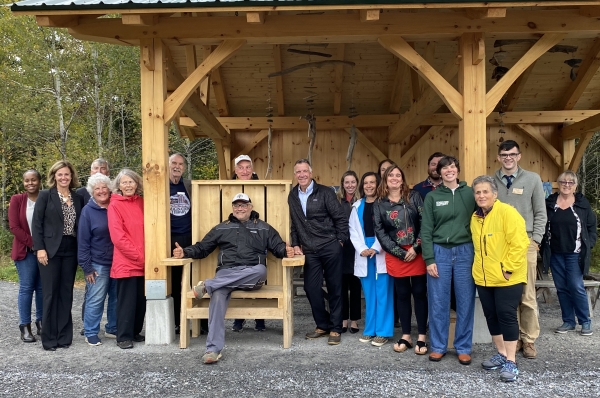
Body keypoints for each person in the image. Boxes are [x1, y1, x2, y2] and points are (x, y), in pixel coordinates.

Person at [172, 193, 294, 364]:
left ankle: (208, 285)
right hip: (226, 273)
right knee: (218, 294)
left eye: (243, 205)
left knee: (260, 271)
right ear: (232, 208)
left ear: (250, 207)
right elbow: (203, 247)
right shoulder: (222, 228)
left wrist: (286, 251)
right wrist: (185, 252)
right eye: (236, 205)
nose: (240, 208)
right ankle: (212, 350)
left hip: (252, 273)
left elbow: (278, 246)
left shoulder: (264, 228)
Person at [471, 175, 528, 382]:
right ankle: (502, 354)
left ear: (495, 194)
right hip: (484, 278)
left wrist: (508, 269)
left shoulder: (507, 213)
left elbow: (520, 243)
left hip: (507, 278)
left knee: (506, 316)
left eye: (486, 191)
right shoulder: (475, 217)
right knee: (491, 316)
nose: (481, 195)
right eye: (478, 192)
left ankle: (512, 361)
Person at [493, 140, 547, 359]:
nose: (508, 158)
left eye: (512, 154)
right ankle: (512, 338)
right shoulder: (493, 181)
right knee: (508, 295)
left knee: (527, 294)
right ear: (498, 157)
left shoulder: (532, 179)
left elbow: (541, 212)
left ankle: (529, 339)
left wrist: (536, 239)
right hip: (500, 245)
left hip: (525, 243)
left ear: (519, 156)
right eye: (504, 154)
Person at [421, 155, 476, 365]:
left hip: (465, 252)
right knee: (438, 301)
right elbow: (425, 230)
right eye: (444, 168)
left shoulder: (470, 193)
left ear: (458, 170)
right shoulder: (433, 198)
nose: (448, 170)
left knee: (465, 301)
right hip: (440, 252)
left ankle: (463, 347)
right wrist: (429, 259)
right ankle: (438, 346)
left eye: (452, 166)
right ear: (439, 172)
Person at [288, 159, 348, 345]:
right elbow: (295, 223)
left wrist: (340, 241)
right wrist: (296, 243)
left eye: (305, 171)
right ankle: (323, 325)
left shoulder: (325, 192)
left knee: (335, 287)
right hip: (310, 250)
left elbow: (340, 218)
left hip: (330, 246)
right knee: (311, 288)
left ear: (311, 173)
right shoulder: (292, 195)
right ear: (295, 174)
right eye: (298, 172)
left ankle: (336, 329)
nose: (302, 175)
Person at [374, 163, 427, 353]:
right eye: (391, 176)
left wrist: (415, 247)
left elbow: (425, 222)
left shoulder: (414, 197)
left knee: (420, 294)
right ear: (385, 180)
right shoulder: (379, 203)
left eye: (398, 175)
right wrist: (401, 253)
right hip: (396, 254)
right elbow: (380, 232)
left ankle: (422, 335)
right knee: (402, 295)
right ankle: (406, 336)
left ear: (402, 178)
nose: (395, 178)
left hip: (417, 251)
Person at [32, 160, 84, 351]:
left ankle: (64, 337)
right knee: (50, 294)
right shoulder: (45, 196)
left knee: (66, 294)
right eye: (60, 174)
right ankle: (49, 338)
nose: (63, 177)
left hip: (71, 249)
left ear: (72, 177)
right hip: (50, 250)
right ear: (54, 176)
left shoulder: (78, 198)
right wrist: (40, 249)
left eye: (67, 174)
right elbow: (36, 224)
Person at [541, 171, 597, 336]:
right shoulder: (550, 203)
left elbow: (592, 227)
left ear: (575, 186)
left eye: (570, 182)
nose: (566, 185)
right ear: (558, 184)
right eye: (563, 182)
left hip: (575, 253)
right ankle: (568, 321)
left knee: (576, 286)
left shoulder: (582, 204)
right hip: (555, 253)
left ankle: (585, 321)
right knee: (561, 288)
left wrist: (590, 243)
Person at [349, 172, 394, 346]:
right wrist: (362, 249)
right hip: (364, 252)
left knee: (383, 292)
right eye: (366, 183)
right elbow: (353, 230)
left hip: (380, 250)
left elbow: (388, 229)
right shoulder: (357, 205)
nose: (369, 186)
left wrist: (376, 247)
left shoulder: (385, 204)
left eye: (372, 182)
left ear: (378, 184)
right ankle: (370, 329)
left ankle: (383, 331)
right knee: (369, 294)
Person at [108, 169, 146, 349]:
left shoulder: (142, 202)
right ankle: (123, 336)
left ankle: (135, 331)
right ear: (118, 186)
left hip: (145, 261)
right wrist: (139, 257)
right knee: (126, 302)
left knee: (140, 300)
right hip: (127, 262)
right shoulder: (115, 205)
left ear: (137, 184)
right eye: (124, 182)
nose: (128, 185)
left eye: (131, 182)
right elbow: (118, 237)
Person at [78, 173, 116, 346]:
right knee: (96, 298)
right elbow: (83, 241)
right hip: (98, 263)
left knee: (116, 298)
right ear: (92, 192)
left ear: (109, 189)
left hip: (118, 261)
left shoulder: (116, 205)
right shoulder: (88, 211)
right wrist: (87, 267)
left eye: (104, 187)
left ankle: (112, 328)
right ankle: (91, 331)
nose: (101, 191)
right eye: (97, 188)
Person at [231, 154, 265, 332]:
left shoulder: (262, 187)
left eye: (247, 167)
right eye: (240, 167)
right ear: (235, 170)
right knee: (237, 268)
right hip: (235, 234)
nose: (244, 171)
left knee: (257, 268)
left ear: (252, 169)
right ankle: (239, 318)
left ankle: (260, 319)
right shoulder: (226, 188)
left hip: (256, 233)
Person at [9, 169, 43, 343]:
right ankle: (25, 327)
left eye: (34, 180)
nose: (30, 183)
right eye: (27, 180)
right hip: (25, 252)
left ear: (39, 181)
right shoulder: (17, 200)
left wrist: (43, 247)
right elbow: (14, 227)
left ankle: (41, 323)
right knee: (27, 287)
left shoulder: (46, 197)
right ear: (23, 182)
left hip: (44, 252)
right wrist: (35, 245)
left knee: (42, 288)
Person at [168, 153, 199, 335]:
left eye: (180, 164)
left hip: (189, 237)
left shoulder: (189, 185)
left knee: (192, 280)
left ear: (184, 167)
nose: (177, 166)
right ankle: (178, 322)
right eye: (173, 163)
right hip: (169, 238)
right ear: (167, 165)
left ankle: (198, 322)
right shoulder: (161, 185)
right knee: (174, 281)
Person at [337, 170, 361, 334]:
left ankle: (354, 320)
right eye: (347, 182)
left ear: (357, 183)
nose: (350, 185)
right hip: (341, 246)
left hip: (357, 248)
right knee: (341, 285)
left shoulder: (361, 201)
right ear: (342, 184)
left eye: (353, 182)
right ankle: (343, 318)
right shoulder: (337, 201)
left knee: (355, 285)